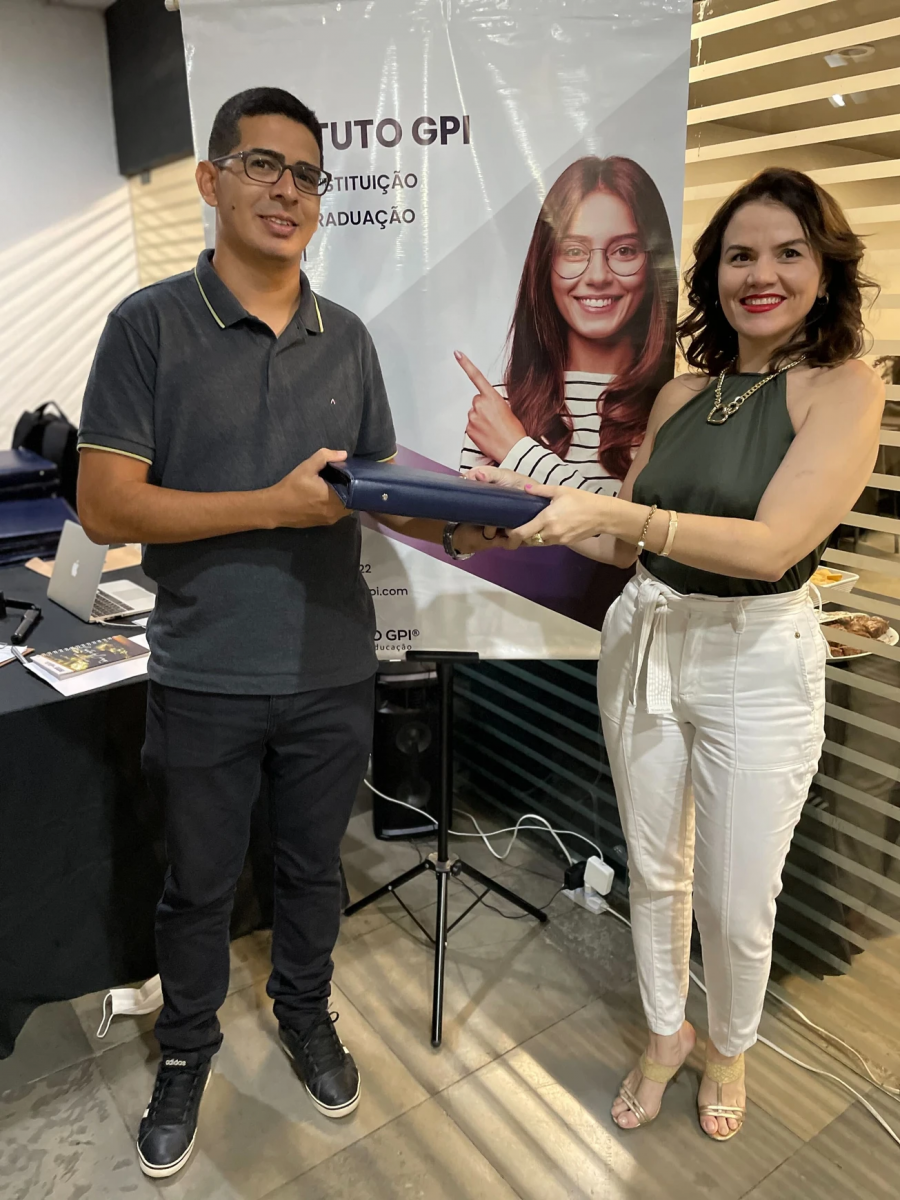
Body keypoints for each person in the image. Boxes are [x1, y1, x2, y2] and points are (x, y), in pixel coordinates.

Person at [77, 86, 492, 1180]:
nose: (287, 190)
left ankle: (305, 1014)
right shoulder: (147, 327)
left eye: (306, 174)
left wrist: (468, 520)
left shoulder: (345, 338)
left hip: (329, 666)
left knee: (312, 872)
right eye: (262, 165)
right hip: (205, 668)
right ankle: (187, 1050)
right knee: (198, 885)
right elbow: (106, 506)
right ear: (211, 180)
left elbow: (373, 491)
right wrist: (270, 504)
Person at [470, 167, 884, 1140]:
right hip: (647, 634)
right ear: (714, 274)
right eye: (740, 256)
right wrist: (523, 515)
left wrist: (614, 512)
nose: (761, 275)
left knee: (737, 902)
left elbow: (773, 545)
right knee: (655, 871)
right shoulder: (680, 395)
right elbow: (626, 548)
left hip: (758, 656)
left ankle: (729, 1044)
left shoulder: (846, 388)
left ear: (825, 269)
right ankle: (667, 1032)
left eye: (788, 253)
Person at [458, 155, 676, 494]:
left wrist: (518, 451)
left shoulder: (677, 411)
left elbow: (634, 527)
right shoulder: (500, 408)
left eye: (624, 250)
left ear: (653, 265)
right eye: (574, 251)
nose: (598, 276)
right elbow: (466, 528)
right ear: (545, 262)